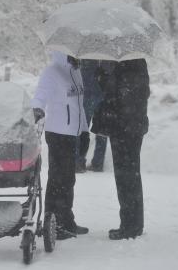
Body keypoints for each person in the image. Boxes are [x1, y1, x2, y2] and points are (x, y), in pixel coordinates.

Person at [31, 51, 89, 240]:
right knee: (58, 179)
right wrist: (37, 109)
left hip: (73, 133)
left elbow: (79, 106)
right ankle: (54, 223)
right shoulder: (52, 71)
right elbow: (40, 95)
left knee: (68, 179)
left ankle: (66, 220)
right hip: (58, 132)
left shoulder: (76, 71)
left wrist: (85, 130)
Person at [91, 58, 150, 240]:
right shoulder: (138, 65)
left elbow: (115, 95)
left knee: (126, 178)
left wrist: (102, 76)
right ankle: (133, 224)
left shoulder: (126, 68)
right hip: (133, 127)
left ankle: (130, 226)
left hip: (124, 128)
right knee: (131, 176)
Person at [75, 59, 108, 173]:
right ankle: (98, 163)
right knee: (102, 129)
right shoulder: (108, 53)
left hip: (87, 93)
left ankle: (78, 161)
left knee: (82, 128)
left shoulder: (86, 52)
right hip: (104, 94)